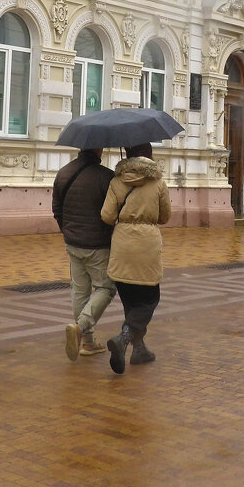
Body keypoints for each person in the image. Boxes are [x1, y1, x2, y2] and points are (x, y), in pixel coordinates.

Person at [100, 143, 171, 375]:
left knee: (130, 299)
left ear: (128, 155)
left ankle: (139, 349)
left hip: (122, 244)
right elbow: (164, 217)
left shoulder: (116, 181)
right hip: (147, 245)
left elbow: (107, 216)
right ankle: (124, 338)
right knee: (150, 298)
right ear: (149, 155)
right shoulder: (158, 182)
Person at [52, 147, 116, 361]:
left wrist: (68, 230)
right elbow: (112, 212)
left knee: (80, 292)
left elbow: (56, 209)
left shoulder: (64, 173)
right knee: (106, 287)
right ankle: (81, 328)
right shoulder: (106, 177)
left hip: (72, 242)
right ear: (98, 149)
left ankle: (88, 342)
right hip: (98, 244)